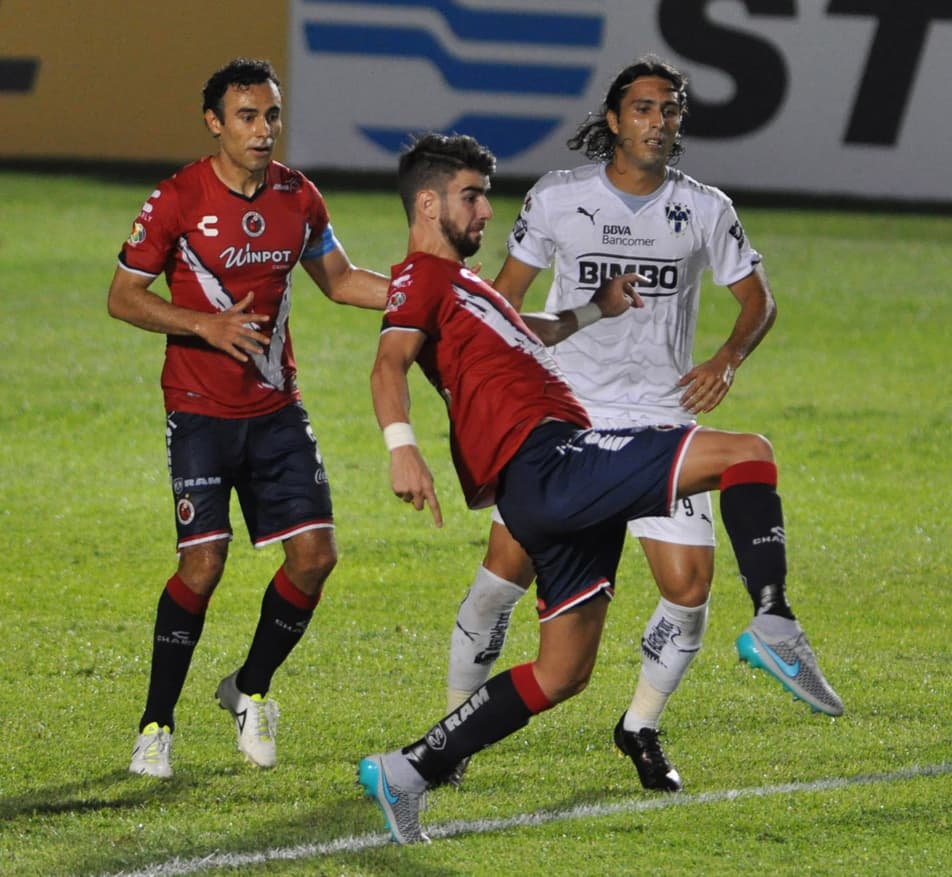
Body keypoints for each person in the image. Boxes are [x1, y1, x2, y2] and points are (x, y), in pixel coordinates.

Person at [358, 131, 834, 845]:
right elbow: (389, 362)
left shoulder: (468, 289)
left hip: (551, 480)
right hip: (551, 460)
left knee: (562, 671)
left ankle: (408, 769)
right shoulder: (422, 279)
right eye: (472, 195)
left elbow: (532, 328)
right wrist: (403, 449)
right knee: (746, 453)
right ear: (427, 205)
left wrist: (595, 310)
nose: (487, 209)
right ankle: (773, 618)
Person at [442, 55, 842, 793]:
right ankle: (453, 728)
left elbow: (759, 301)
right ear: (615, 119)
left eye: (673, 110)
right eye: (647, 109)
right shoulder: (558, 199)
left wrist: (727, 357)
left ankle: (641, 725)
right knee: (502, 577)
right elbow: (500, 304)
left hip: (661, 417)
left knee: (689, 588)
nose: (661, 122)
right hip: (562, 416)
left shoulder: (705, 208)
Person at [107, 58, 389, 779]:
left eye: (271, 116)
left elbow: (342, 279)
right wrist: (204, 326)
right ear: (214, 122)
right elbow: (124, 296)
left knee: (316, 556)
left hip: (276, 408)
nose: (263, 131)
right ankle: (155, 724)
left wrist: (429, 295)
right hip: (199, 410)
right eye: (246, 116)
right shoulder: (176, 198)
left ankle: (250, 686)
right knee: (202, 566)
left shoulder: (299, 197)